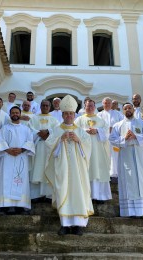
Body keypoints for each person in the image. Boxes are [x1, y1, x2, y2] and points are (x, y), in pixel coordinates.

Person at [45, 95, 94, 236]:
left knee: (78, 193)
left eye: (71, 113)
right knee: (63, 191)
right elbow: (48, 145)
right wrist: (60, 139)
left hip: (78, 170)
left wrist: (79, 140)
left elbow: (88, 146)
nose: (69, 116)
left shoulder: (80, 130)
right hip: (62, 168)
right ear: (62, 115)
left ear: (74, 114)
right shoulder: (56, 130)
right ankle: (65, 225)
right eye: (66, 114)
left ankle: (78, 225)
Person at [109, 103, 143, 218]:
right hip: (125, 154)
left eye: (129, 108)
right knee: (129, 181)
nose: (128, 110)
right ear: (122, 111)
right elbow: (112, 139)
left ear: (133, 109)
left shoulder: (142, 123)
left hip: (140, 154)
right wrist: (125, 138)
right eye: (125, 108)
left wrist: (136, 136)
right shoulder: (117, 125)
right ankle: (131, 211)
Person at [0, 106, 35, 215]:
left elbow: (30, 142)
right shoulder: (5, 128)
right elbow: (0, 141)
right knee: (5, 180)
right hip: (7, 157)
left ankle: (20, 206)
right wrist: (8, 150)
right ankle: (4, 207)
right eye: (12, 113)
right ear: (10, 114)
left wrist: (21, 149)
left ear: (20, 114)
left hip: (21, 157)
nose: (15, 114)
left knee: (20, 180)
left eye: (17, 112)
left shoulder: (26, 129)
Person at [75, 99, 111, 203]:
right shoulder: (79, 120)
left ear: (94, 107)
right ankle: (86, 195)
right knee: (86, 170)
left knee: (98, 169)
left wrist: (97, 131)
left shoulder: (100, 120)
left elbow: (106, 132)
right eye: (88, 106)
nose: (90, 108)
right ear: (84, 107)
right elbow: (74, 130)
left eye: (91, 106)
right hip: (84, 150)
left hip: (98, 150)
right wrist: (84, 132)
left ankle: (99, 196)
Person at [29, 100, 59, 201]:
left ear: (50, 107)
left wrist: (48, 132)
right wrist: (38, 133)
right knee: (37, 169)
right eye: (43, 105)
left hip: (49, 148)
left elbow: (57, 131)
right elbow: (30, 130)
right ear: (40, 106)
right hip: (38, 146)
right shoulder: (34, 118)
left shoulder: (54, 120)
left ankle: (48, 195)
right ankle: (36, 195)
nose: (45, 107)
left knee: (47, 168)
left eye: (47, 105)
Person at [97, 97, 124, 179]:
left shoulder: (118, 114)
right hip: (104, 139)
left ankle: (116, 173)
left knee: (116, 156)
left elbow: (123, 124)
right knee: (106, 156)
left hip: (115, 139)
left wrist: (115, 129)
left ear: (111, 104)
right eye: (105, 103)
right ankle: (107, 174)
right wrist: (106, 129)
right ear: (103, 104)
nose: (107, 104)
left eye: (109, 103)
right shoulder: (99, 115)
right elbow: (97, 126)